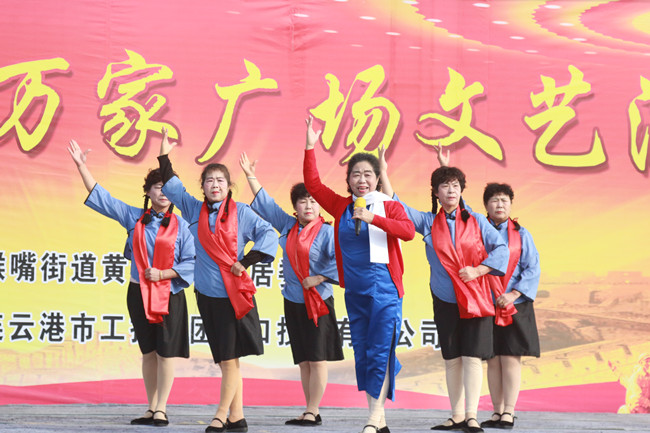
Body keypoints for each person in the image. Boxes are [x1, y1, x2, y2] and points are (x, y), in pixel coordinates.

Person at [379, 147, 508, 433]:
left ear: (462, 191)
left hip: (474, 298)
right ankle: (457, 415)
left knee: (472, 357)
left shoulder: (477, 221)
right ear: (436, 193)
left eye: (456, 186)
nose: (451, 191)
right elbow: (395, 204)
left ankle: (472, 416)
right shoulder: (427, 223)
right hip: (445, 299)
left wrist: (478, 271)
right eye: (445, 186)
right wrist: (384, 172)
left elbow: (501, 249)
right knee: (452, 359)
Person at [67, 139, 195, 427]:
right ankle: (151, 407)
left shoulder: (184, 226)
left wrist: (164, 274)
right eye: (158, 187)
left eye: (168, 188)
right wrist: (82, 166)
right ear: (148, 192)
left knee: (166, 353)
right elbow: (103, 199)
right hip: (138, 292)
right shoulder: (134, 218)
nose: (163, 192)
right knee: (148, 352)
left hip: (169, 295)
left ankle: (162, 409)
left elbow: (192, 261)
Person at [157, 129, 278, 433]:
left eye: (220, 180)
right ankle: (238, 417)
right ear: (202, 186)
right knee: (226, 359)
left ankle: (221, 415)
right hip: (206, 295)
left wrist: (245, 261)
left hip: (233, 295)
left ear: (229, 186)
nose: (215, 185)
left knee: (229, 359)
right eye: (209, 180)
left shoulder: (243, 212)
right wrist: (164, 155)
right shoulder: (193, 209)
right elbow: (173, 187)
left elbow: (268, 234)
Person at [303, 116, 415, 433]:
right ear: (348, 180)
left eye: (368, 174)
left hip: (385, 290)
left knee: (379, 352)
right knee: (365, 355)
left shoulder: (388, 206)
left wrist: (372, 218)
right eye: (356, 174)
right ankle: (379, 419)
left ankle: (372, 419)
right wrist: (310, 146)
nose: (362, 179)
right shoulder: (341, 206)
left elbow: (407, 231)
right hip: (355, 291)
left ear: (377, 178)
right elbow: (313, 185)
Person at [239, 152, 344, 426]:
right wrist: (250, 175)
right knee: (304, 360)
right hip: (294, 300)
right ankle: (309, 409)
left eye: (314, 201)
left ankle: (313, 410)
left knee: (317, 359)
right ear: (295, 206)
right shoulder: (288, 225)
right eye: (303, 201)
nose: (309, 205)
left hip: (319, 302)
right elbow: (267, 204)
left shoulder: (328, 232)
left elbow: (342, 263)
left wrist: (319, 278)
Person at [479, 183, 540, 430]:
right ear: (486, 205)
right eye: (494, 200)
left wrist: (514, 293)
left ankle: (509, 412)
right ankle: (496, 411)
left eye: (504, 200)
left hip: (515, 304)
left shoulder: (522, 234)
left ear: (511, 204)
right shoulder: (476, 232)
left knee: (510, 357)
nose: (500, 204)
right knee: (492, 359)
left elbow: (532, 268)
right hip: (485, 303)